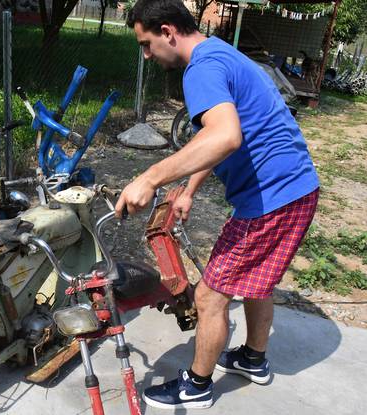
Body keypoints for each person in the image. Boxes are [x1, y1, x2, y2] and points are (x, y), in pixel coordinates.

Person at [115, 0, 319, 409]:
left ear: (168, 31)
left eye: (147, 44)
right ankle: (254, 358)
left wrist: (150, 177)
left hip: (272, 199)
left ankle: (196, 385)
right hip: (295, 188)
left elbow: (225, 137)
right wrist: (188, 190)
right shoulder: (219, 52)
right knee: (258, 279)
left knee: (210, 297)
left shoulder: (201, 69)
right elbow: (215, 141)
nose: (147, 55)